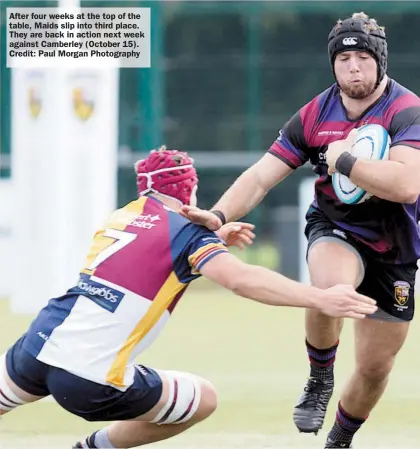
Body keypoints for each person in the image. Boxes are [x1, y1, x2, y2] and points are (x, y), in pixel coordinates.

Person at [0, 146, 376, 449]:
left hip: (38, 343)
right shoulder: (189, 234)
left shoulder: (123, 215)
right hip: (89, 377)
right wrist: (318, 298)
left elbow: (152, 255)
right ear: (189, 191)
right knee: (203, 399)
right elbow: (242, 279)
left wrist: (211, 240)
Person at [180, 12, 420, 449]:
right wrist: (216, 216)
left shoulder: (407, 111)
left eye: (363, 57)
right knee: (330, 287)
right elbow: (260, 177)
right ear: (332, 63)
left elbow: (407, 186)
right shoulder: (314, 113)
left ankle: (339, 440)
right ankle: (320, 377)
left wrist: (343, 161)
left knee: (374, 369)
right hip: (336, 226)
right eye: (343, 58)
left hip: (396, 247)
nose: (353, 67)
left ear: (381, 61)